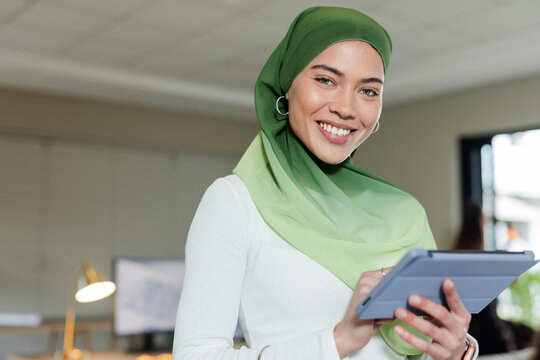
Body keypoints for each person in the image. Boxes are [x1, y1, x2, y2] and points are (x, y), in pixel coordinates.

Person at [173, 6, 478, 360]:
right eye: (326, 80)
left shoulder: (405, 212)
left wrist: (457, 351)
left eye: (368, 91)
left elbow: (420, 349)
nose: (346, 108)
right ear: (286, 88)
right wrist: (338, 341)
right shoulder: (235, 202)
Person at [454, 202, 533, 355]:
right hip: (482, 326)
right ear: (479, 225)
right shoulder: (478, 258)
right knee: (526, 334)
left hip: (476, 324)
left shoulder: (460, 253)